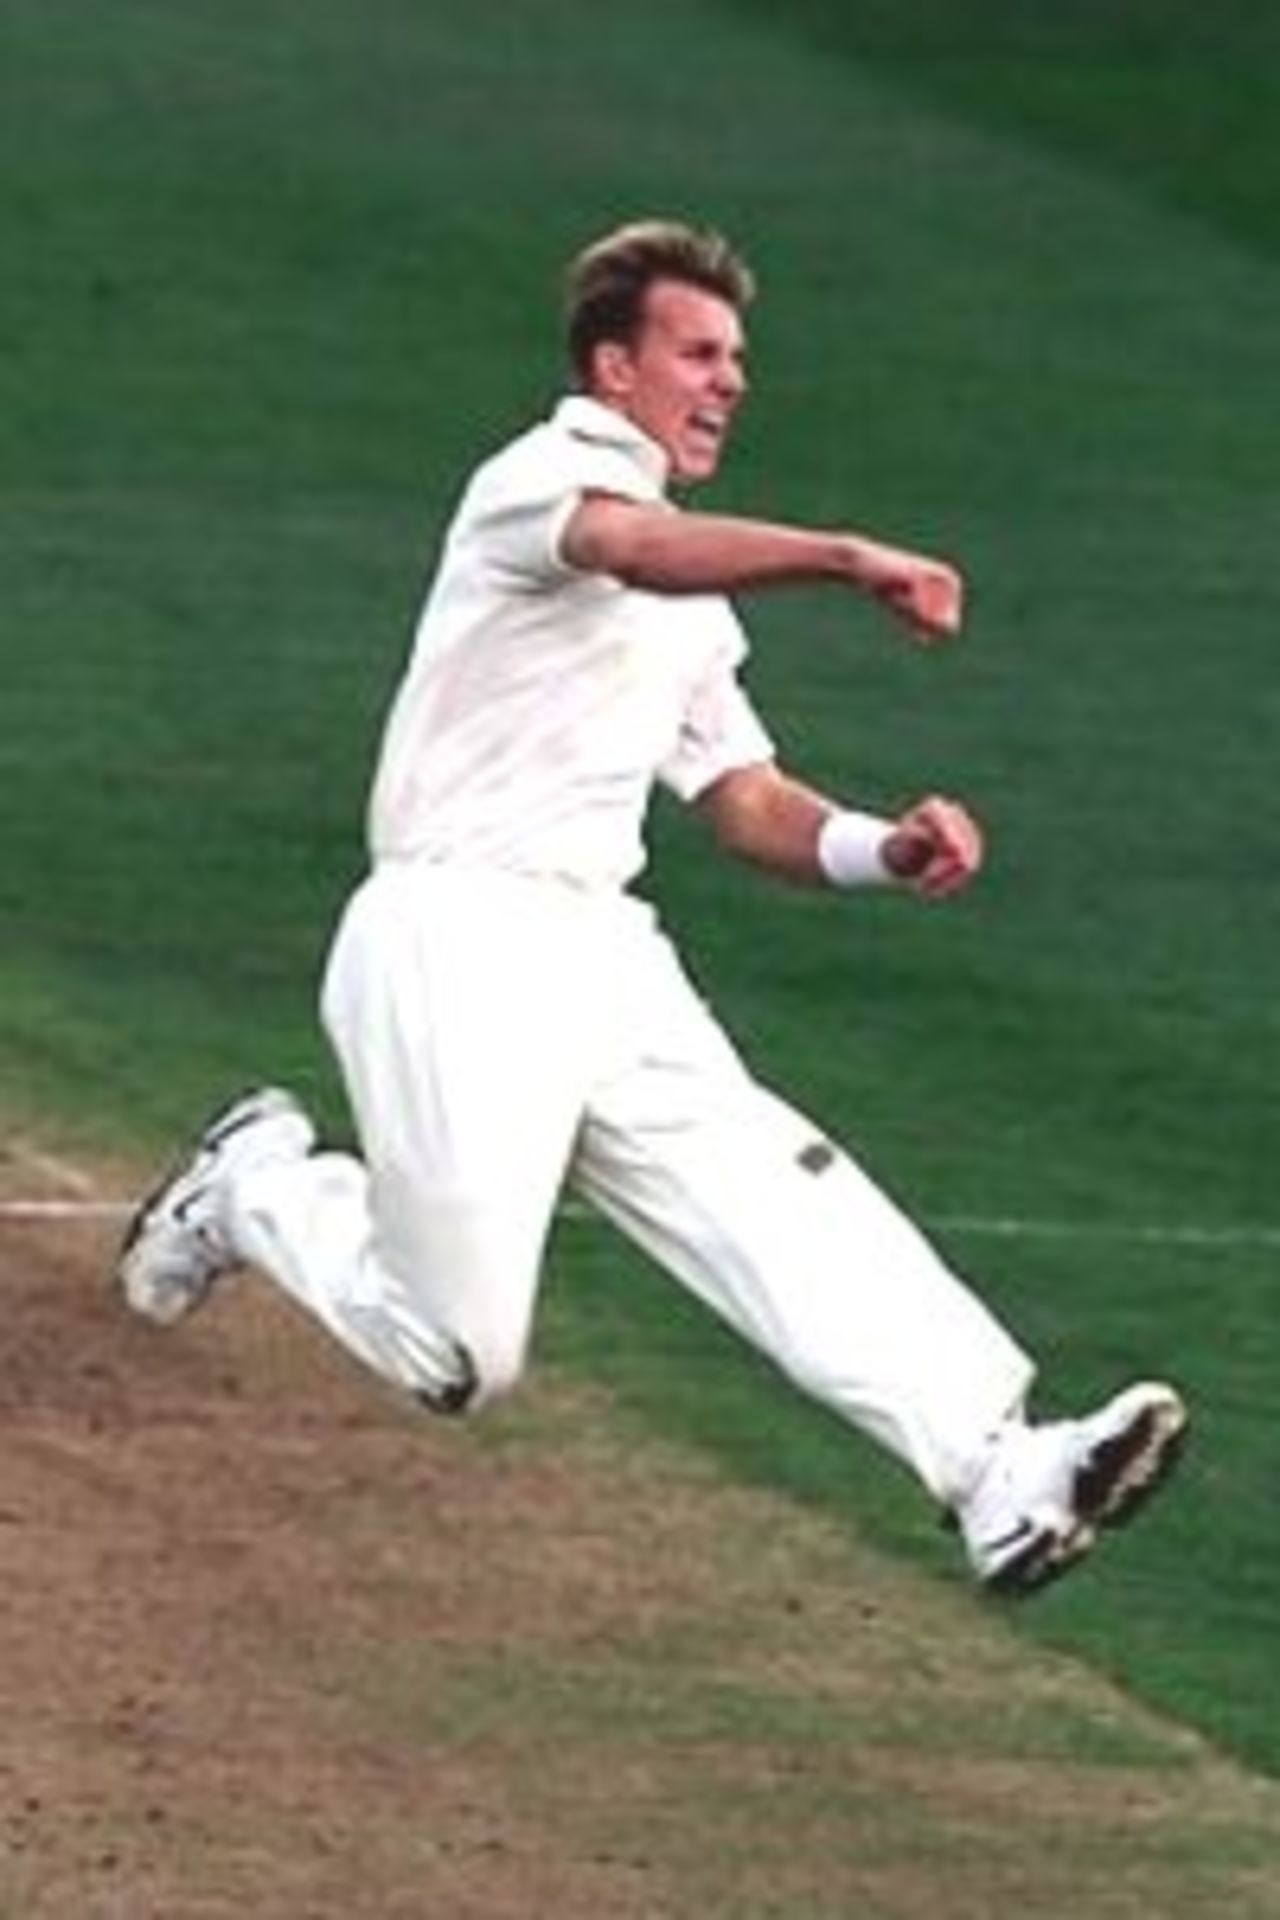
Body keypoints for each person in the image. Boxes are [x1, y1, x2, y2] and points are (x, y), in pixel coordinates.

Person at [117, 218, 1186, 1594]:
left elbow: (745, 800)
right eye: (698, 353)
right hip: (452, 932)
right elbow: (630, 547)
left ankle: (999, 1466)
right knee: (459, 1357)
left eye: (736, 357)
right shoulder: (539, 482)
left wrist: (886, 849)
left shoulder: (694, 599)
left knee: (766, 1184)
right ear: (614, 370)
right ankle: (259, 1183)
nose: (729, 379)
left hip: (603, 948)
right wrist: (844, 556)